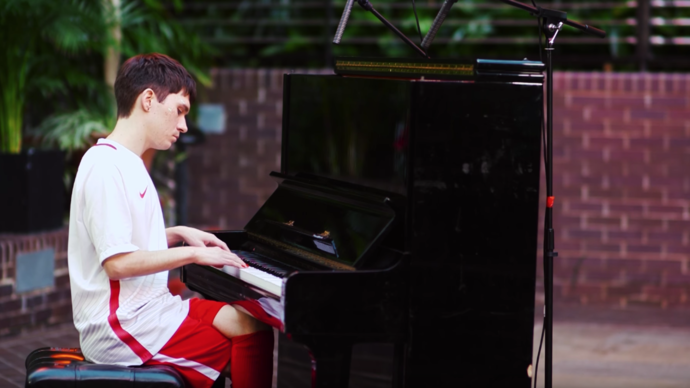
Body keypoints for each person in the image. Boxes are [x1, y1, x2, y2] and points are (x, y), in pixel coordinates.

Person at [67, 53, 273, 388]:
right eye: (179, 110)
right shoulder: (106, 167)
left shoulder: (127, 162)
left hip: (152, 310)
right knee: (235, 349)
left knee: (253, 326)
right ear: (148, 100)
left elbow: (122, 240)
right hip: (123, 329)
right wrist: (194, 254)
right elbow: (117, 263)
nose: (183, 125)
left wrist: (177, 233)